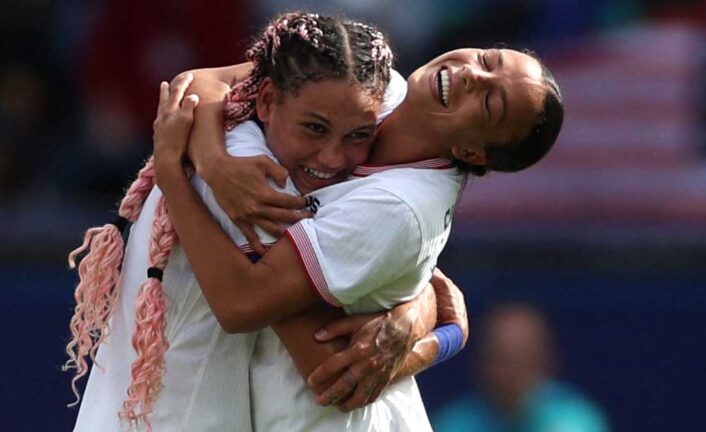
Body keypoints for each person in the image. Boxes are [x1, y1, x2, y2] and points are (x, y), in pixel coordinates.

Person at [149, 30, 564, 431]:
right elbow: (206, 81)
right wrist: (212, 162)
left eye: (490, 103)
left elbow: (248, 307)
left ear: (471, 152)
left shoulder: (399, 209)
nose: (474, 74)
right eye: (488, 60)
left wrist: (174, 175)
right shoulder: (383, 87)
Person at [67, 13, 455, 432]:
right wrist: (441, 333)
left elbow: (202, 81)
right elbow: (333, 375)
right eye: (314, 128)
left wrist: (422, 295)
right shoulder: (258, 185)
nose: (331, 157)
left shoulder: (226, 129)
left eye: (358, 135)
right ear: (267, 100)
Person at [432, 304, 610, 432]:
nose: (502, 373)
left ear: (543, 360)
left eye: (514, 360)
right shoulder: (452, 423)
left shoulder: (575, 422)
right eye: (495, 358)